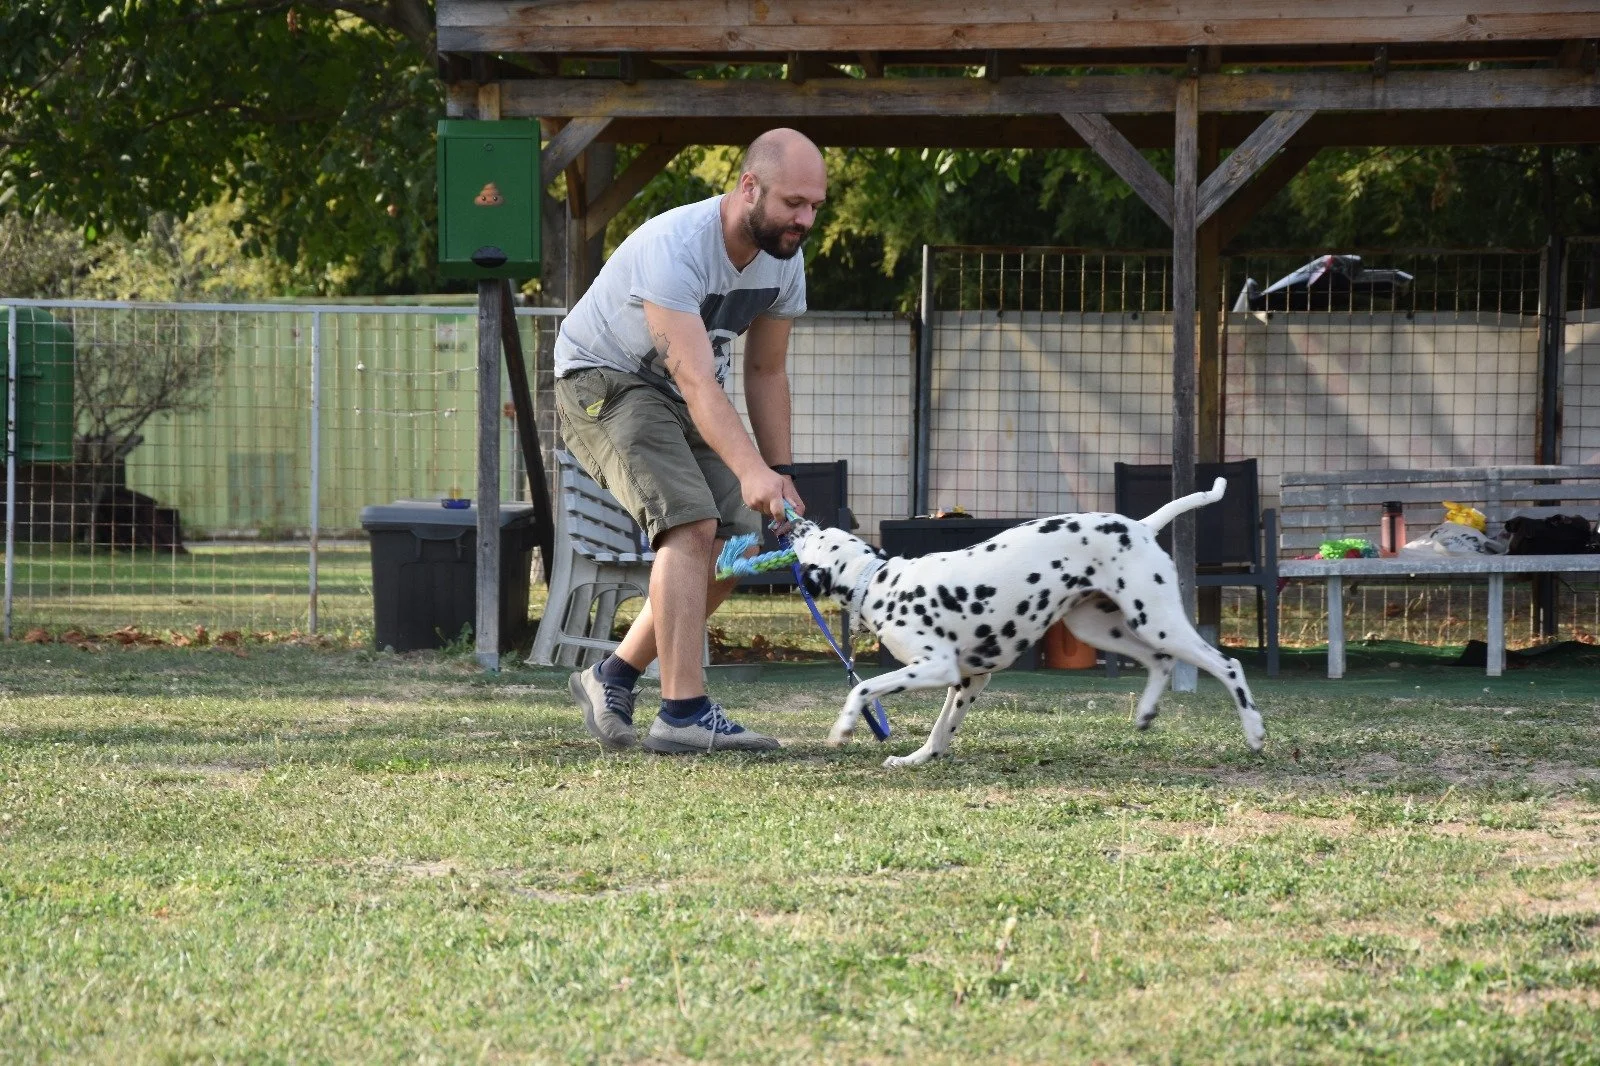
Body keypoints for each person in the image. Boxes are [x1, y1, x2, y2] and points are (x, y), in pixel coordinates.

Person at [552, 128, 827, 754]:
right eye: (793, 203)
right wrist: (750, 470)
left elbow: (766, 372)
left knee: (743, 538)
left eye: (815, 206)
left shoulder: (785, 261)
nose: (805, 221)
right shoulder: (676, 245)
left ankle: (613, 675)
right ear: (749, 187)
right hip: (604, 380)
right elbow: (697, 376)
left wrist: (777, 472)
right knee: (691, 523)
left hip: (680, 396)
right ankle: (682, 712)